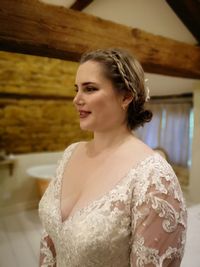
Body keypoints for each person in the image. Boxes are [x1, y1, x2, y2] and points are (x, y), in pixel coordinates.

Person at [39, 48, 187, 266]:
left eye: (89, 89)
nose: (76, 99)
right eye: (76, 89)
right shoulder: (71, 153)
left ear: (126, 96)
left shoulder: (153, 177)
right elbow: (49, 239)